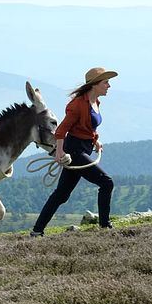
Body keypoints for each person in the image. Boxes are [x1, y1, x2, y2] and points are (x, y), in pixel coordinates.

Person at [30, 67, 117, 236]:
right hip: (74, 151)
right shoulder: (77, 105)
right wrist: (59, 153)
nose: (109, 86)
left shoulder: (95, 102)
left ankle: (37, 231)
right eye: (106, 82)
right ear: (95, 85)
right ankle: (105, 227)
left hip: (83, 148)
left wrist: (95, 140)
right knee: (107, 182)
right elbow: (61, 131)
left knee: (61, 194)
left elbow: (89, 126)